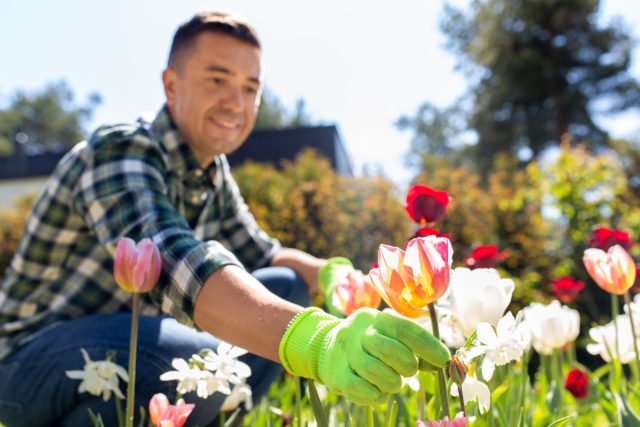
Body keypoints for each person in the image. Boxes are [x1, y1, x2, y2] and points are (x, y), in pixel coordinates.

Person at [0, 11, 450, 427]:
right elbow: (174, 261)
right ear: (171, 85)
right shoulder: (120, 150)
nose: (236, 102)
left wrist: (335, 276)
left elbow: (265, 253)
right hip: (25, 364)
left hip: (124, 348)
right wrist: (316, 342)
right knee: (177, 357)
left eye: (251, 88)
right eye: (218, 79)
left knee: (285, 286)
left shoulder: (212, 172)